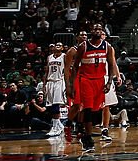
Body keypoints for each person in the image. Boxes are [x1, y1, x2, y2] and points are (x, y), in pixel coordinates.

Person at [67, 24, 118, 153]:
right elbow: (75, 67)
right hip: (85, 80)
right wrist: (72, 85)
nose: (97, 31)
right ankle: (88, 137)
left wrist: (109, 82)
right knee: (87, 108)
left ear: (102, 32)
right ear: (91, 31)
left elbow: (111, 65)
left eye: (99, 29)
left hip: (100, 80)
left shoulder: (108, 47)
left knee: (97, 109)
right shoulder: (83, 46)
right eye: (95, 29)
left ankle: (81, 129)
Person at [43, 43, 67, 138]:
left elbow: (68, 69)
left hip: (59, 81)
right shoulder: (49, 57)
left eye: (60, 45)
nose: (57, 46)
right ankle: (59, 125)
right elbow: (46, 71)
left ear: (62, 48)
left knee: (56, 104)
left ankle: (55, 127)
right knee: (50, 105)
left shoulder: (64, 56)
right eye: (56, 45)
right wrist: (44, 84)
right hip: (50, 81)